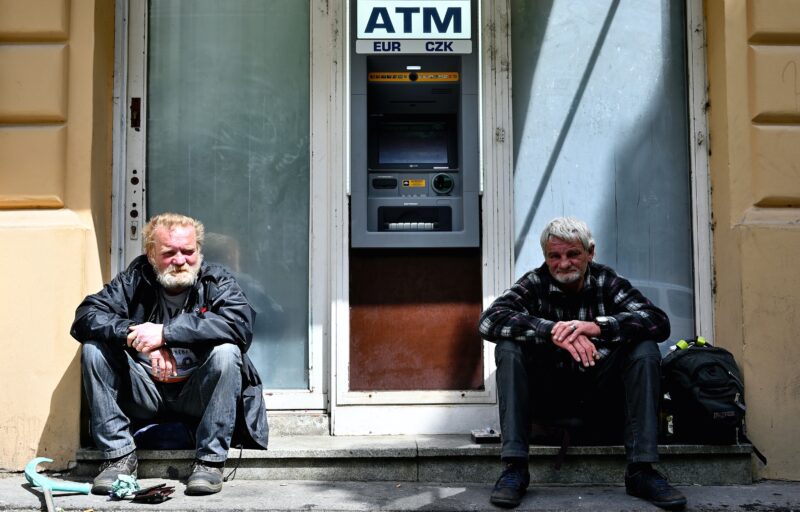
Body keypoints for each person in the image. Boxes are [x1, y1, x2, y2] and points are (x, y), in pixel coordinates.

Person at [478, 217, 686, 510]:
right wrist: (550, 330)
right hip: (549, 400)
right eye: (555, 256)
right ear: (546, 257)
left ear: (591, 252)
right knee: (508, 347)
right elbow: (489, 321)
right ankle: (515, 468)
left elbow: (658, 321)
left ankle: (641, 471)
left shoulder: (606, 281)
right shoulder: (534, 282)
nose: (564, 264)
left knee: (645, 348)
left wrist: (596, 327)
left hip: (599, 398)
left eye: (573, 254)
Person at [70, 213, 269, 496]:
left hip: (196, 394)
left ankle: (209, 462)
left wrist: (165, 333)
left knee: (227, 352)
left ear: (198, 251)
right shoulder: (134, 279)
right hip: (144, 392)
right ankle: (118, 457)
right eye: (169, 253)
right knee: (94, 350)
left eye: (188, 251)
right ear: (151, 253)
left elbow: (238, 325)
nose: (180, 260)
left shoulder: (217, 280)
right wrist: (137, 334)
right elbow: (86, 316)